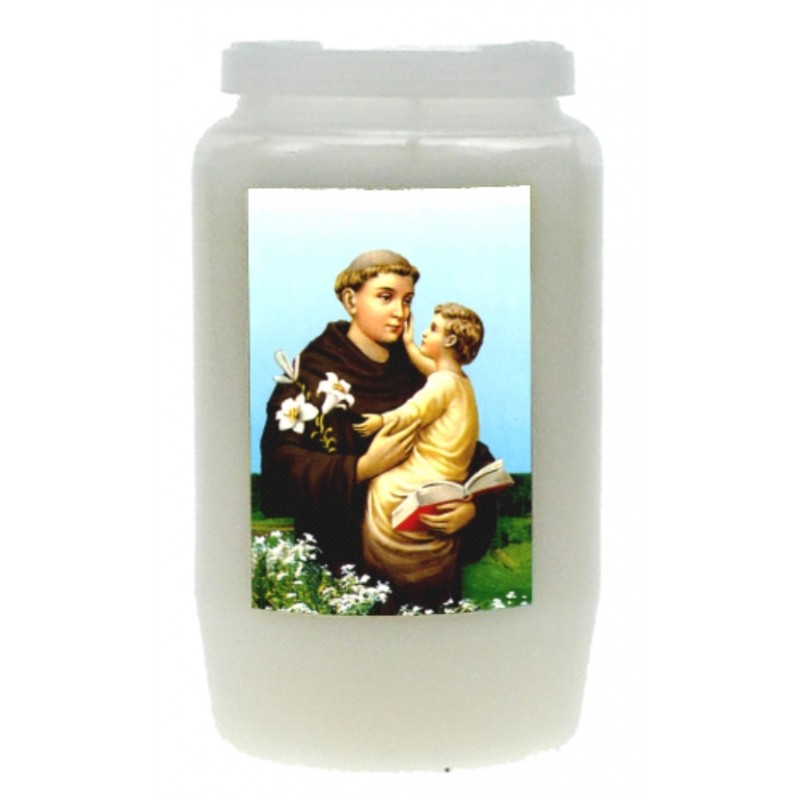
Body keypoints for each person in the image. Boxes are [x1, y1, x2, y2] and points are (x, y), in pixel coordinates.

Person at [259, 249, 497, 603]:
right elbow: (278, 468)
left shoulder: (421, 373)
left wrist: (472, 510)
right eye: (386, 297)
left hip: (426, 563)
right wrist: (362, 468)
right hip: (345, 573)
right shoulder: (309, 374)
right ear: (351, 301)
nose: (401, 312)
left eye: (408, 300)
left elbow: (466, 449)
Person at [354, 303, 485, 610]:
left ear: (450, 340)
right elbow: (431, 370)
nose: (426, 332)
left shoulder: (443, 384)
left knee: (382, 488)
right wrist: (410, 344)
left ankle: (386, 573)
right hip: (448, 478)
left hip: (425, 475)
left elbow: (413, 410)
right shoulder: (458, 380)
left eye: (433, 328)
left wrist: (381, 421)